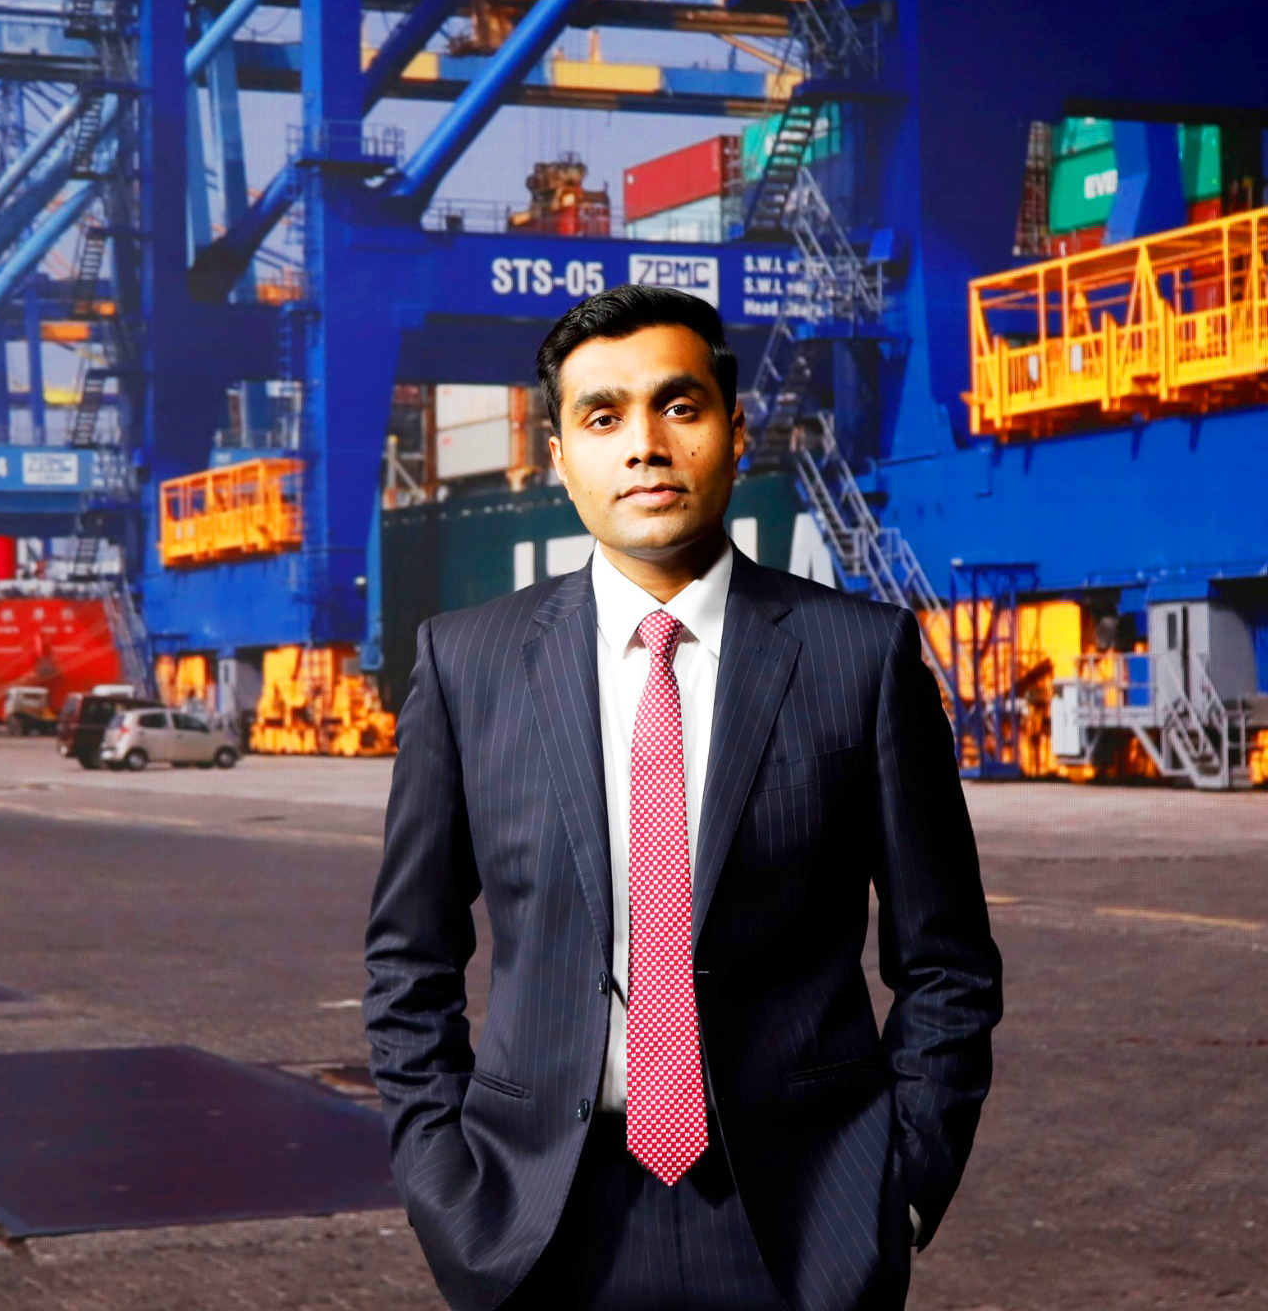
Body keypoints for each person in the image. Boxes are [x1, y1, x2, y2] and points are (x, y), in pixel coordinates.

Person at [365, 284, 1003, 1311]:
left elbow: (948, 963)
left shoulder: (861, 659)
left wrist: (902, 1187)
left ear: (736, 432)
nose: (645, 446)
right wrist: (445, 1185)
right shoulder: (465, 666)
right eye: (602, 416)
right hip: (537, 1221)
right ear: (559, 455)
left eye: (680, 406)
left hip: (801, 1223)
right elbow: (410, 957)